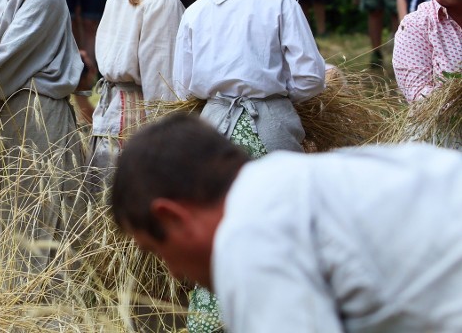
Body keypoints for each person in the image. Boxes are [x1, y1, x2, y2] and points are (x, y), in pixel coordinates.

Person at [112, 113, 462, 333]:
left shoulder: (248, 235)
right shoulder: (304, 178)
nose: (173, 273)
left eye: (158, 250)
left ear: (171, 216)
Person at [171, 0, 325, 331]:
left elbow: (183, 82)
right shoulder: (279, 3)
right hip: (270, 122)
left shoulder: (196, 11)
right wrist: (274, 89)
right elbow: (311, 77)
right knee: (280, 226)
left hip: (213, 127)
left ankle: (213, 319)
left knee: (220, 228)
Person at [0, 0, 84, 286]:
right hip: (8, 109)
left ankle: (35, 308)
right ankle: (6, 299)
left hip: (37, 114)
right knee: (7, 206)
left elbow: (5, 59)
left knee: (35, 209)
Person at [86, 0, 185, 199]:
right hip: (138, 124)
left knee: (106, 219)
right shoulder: (162, 0)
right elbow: (162, 83)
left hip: (108, 117)